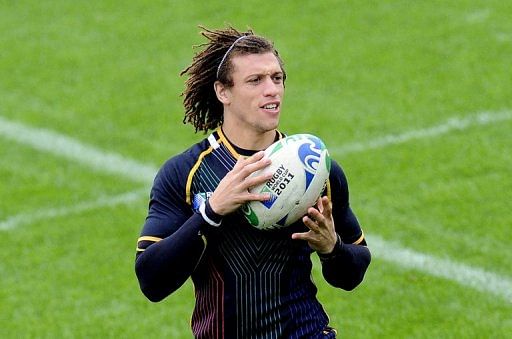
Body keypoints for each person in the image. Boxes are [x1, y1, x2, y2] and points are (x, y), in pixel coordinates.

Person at [135, 26, 371, 338]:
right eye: (255, 80)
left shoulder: (313, 168)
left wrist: (332, 249)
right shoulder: (185, 173)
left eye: (277, 78)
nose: (272, 89)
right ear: (223, 92)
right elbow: (152, 282)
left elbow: (353, 272)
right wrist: (211, 211)